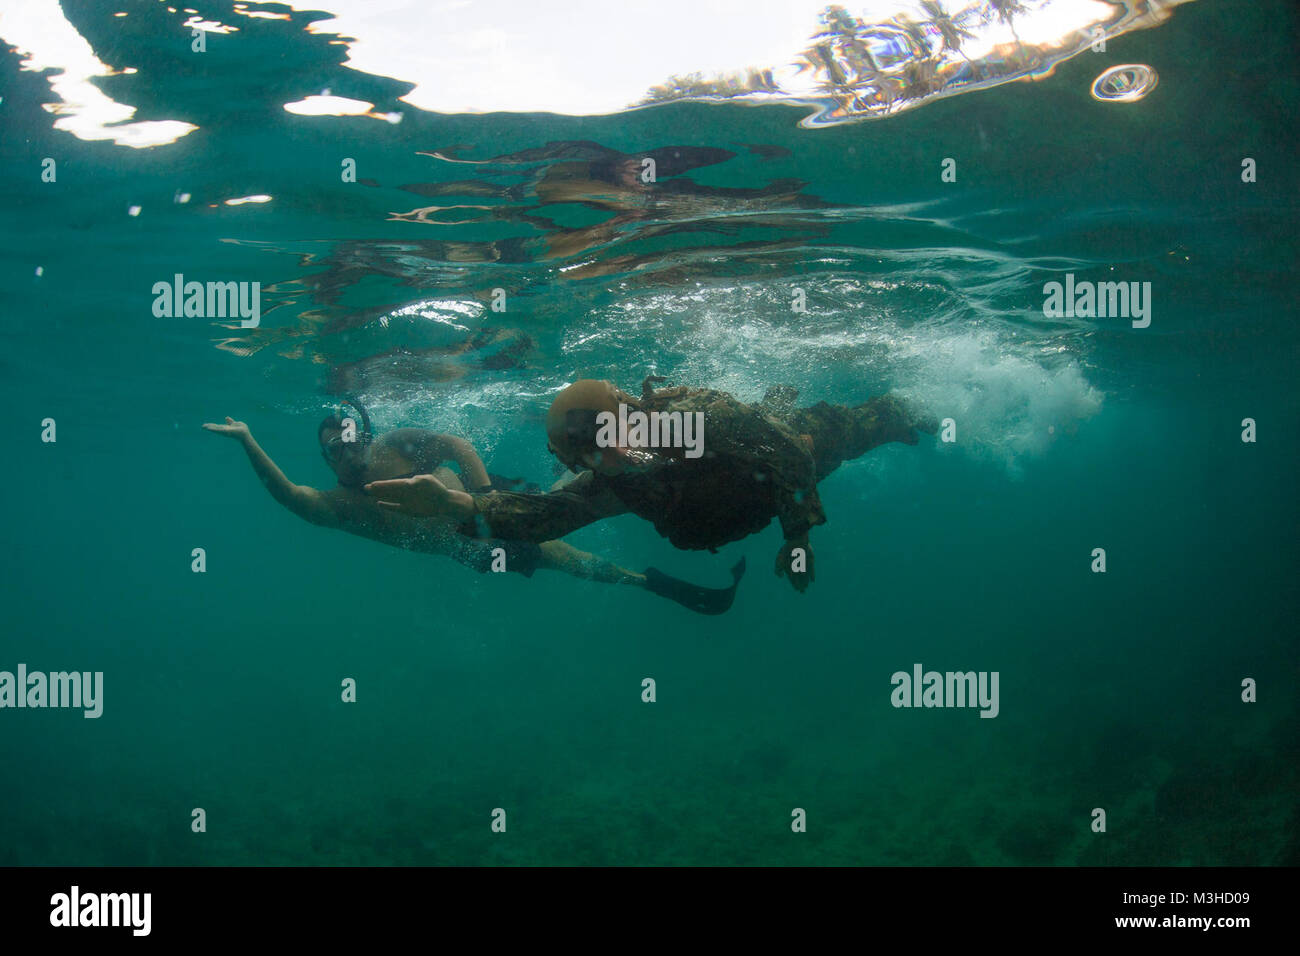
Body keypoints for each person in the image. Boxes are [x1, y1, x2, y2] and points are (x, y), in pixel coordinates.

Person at [366, 377, 936, 593]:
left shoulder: (693, 423)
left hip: (798, 449)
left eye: (610, 435)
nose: (610, 458)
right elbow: (548, 516)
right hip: (746, 496)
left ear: (629, 414)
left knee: (873, 423)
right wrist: (458, 503)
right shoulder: (615, 481)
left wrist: (798, 538)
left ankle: (919, 405)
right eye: (589, 455)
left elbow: (788, 457)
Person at [203, 400, 745, 614]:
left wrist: (488, 501)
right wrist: (251, 442)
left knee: (567, 502)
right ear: (324, 457)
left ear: (365, 436)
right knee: (566, 554)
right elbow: (293, 500)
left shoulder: (396, 444)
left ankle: (651, 454)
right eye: (332, 450)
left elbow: (458, 446)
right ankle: (655, 583)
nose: (345, 455)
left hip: (488, 501)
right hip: (475, 551)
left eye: (350, 442)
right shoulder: (343, 505)